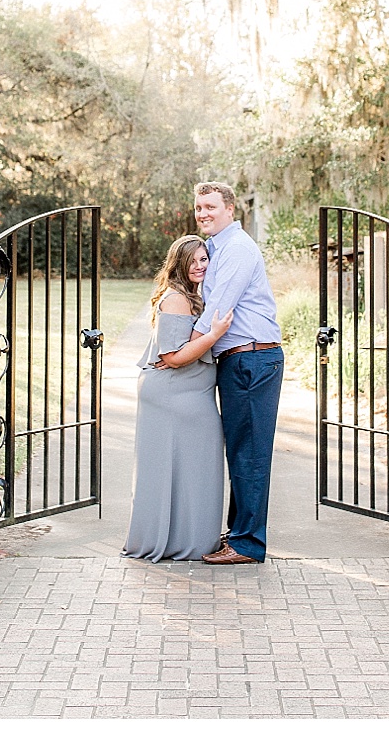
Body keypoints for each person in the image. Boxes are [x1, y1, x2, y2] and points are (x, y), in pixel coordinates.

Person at [123, 235, 233, 561]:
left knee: (193, 465)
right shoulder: (176, 299)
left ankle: (191, 537)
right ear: (179, 263)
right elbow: (171, 356)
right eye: (193, 261)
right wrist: (214, 335)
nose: (199, 266)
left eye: (204, 260)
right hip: (174, 395)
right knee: (179, 465)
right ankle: (181, 541)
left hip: (188, 393)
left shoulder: (193, 295)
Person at [192, 181, 284, 565]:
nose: (203, 213)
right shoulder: (216, 248)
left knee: (249, 454)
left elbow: (218, 311)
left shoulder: (238, 249)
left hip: (251, 360)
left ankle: (247, 545)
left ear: (230, 209)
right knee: (241, 451)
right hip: (240, 359)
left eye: (210, 206)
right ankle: (240, 533)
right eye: (199, 207)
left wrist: (178, 356)